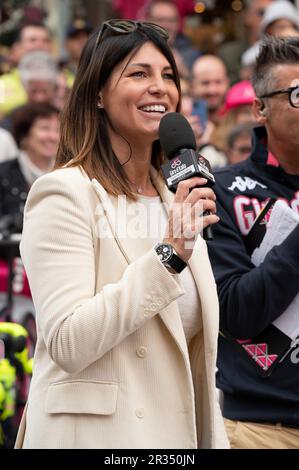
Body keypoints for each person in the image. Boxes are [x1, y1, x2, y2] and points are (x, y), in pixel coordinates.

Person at [14, 19, 228, 449]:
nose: (160, 87)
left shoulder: (177, 198)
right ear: (97, 92)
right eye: (139, 74)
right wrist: (168, 255)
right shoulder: (63, 193)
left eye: (168, 75)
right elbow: (67, 342)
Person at [207, 36, 299, 449]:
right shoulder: (222, 192)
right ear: (259, 108)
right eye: (297, 94)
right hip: (262, 429)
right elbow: (233, 312)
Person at [0, 102, 60, 221]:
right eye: (45, 128)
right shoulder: (2, 175)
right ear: (24, 135)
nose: (53, 137)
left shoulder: (68, 174)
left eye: (58, 129)